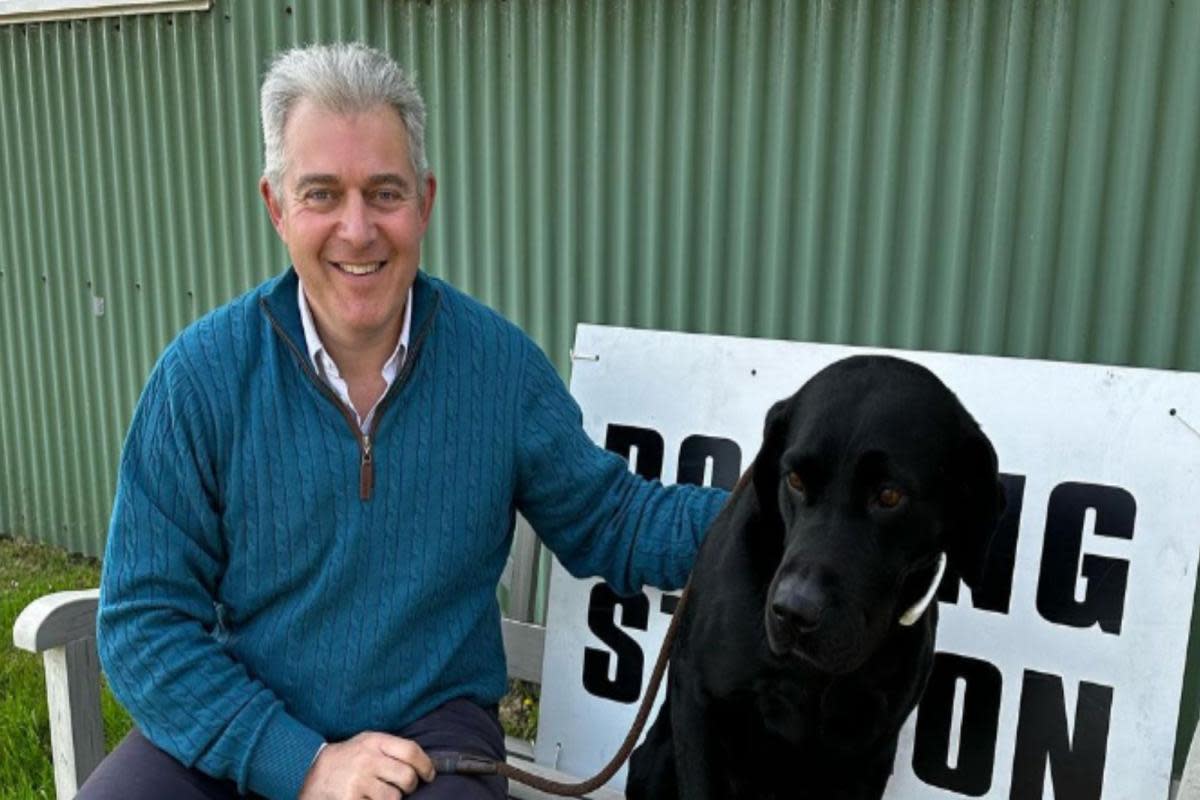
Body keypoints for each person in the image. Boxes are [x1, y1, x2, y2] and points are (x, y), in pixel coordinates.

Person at [79, 41, 727, 800]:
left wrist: (790, 518)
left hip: (432, 735)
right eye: (322, 194)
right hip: (246, 721)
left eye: (383, 193)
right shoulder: (201, 378)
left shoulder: (498, 368)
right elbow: (142, 623)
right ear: (276, 206)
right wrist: (304, 763)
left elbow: (616, 520)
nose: (357, 230)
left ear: (424, 202)